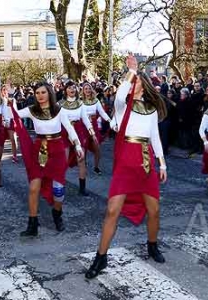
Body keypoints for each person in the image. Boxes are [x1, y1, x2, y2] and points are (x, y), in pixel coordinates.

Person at [85, 54, 167, 279]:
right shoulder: (122, 106)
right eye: (129, 81)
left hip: (147, 159)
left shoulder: (150, 108)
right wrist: (131, 72)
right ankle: (100, 257)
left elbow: (155, 137)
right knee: (112, 210)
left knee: (154, 210)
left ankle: (152, 245)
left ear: (144, 84)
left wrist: (162, 163)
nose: (131, 83)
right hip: (125, 162)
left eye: (135, 80)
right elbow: (120, 95)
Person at [11, 82, 84, 236]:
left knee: (58, 190)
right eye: (37, 93)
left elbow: (70, 130)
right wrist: (9, 102)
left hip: (57, 150)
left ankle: (57, 214)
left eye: (43, 92)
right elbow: (13, 114)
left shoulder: (59, 111)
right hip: (40, 150)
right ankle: (32, 225)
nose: (40, 95)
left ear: (49, 93)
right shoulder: (32, 110)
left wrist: (77, 145)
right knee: (33, 187)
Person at [58, 80, 97, 196]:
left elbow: (85, 119)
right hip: (64, 132)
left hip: (79, 132)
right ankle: (60, 186)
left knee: (81, 160)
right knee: (63, 160)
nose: (72, 90)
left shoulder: (80, 103)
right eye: (69, 88)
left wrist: (92, 133)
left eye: (74, 87)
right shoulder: (59, 104)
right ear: (65, 90)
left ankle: (82, 188)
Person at [81, 83, 111, 175]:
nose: (87, 90)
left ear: (91, 89)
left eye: (89, 88)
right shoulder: (80, 101)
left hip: (93, 125)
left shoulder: (96, 100)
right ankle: (83, 165)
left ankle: (96, 167)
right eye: (85, 89)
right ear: (83, 90)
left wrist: (110, 120)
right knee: (84, 147)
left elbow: (102, 112)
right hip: (84, 126)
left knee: (97, 147)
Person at [2, 85, 18, 163]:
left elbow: (15, 112)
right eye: (3, 90)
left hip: (11, 121)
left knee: (12, 139)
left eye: (6, 90)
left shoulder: (12, 100)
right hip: (1, 121)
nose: (5, 91)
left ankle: (14, 155)